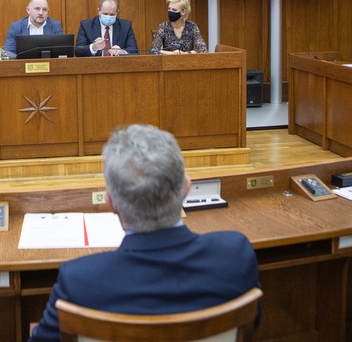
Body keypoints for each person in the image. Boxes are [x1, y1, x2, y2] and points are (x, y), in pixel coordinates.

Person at [28, 124, 260, 342]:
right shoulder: (235, 255)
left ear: (110, 202)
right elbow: (254, 321)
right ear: (186, 188)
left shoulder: (79, 280)